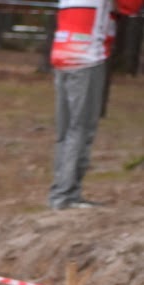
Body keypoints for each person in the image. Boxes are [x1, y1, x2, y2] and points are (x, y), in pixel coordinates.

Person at [46, 0, 141, 209]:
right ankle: (66, 196)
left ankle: (60, 192)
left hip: (61, 54)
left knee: (66, 132)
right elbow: (130, 6)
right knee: (80, 130)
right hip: (86, 57)